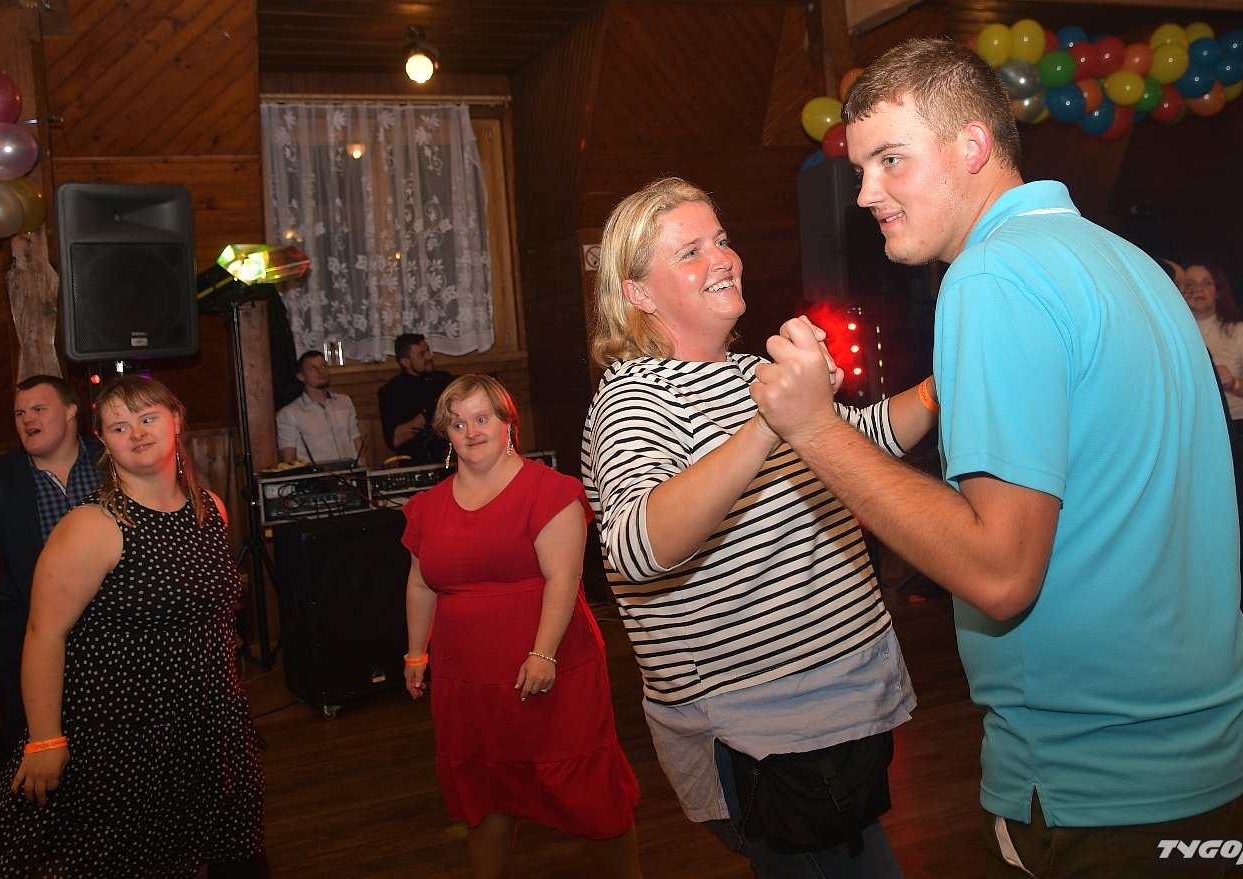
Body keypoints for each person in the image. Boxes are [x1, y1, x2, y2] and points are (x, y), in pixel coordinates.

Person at [750, 37, 1243, 877]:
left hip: (1100, 792)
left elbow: (1000, 572)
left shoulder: (990, 278)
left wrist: (815, 429)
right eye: (859, 169)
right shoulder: (1129, 263)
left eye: (890, 159)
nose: (866, 192)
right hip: (1228, 759)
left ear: (971, 145)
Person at [581, 176, 937, 878]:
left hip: (836, 696)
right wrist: (771, 422)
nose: (722, 258)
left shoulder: (752, 373)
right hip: (763, 727)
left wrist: (938, 386)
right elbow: (636, 546)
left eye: (720, 240)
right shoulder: (635, 398)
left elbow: (858, 439)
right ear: (639, 293)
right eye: (690, 251)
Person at [0, 376, 267, 878]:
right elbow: (44, 634)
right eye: (119, 427)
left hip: (210, 724)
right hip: (124, 734)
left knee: (230, 856)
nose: (136, 433)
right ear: (103, 441)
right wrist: (45, 741)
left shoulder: (210, 508)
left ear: (175, 420)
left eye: (147, 418)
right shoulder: (92, 525)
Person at [401, 374, 641, 879]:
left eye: (482, 419)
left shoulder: (550, 491)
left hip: (549, 670)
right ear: (446, 434)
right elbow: (421, 584)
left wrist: (543, 653)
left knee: (584, 787)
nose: (471, 432)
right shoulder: (428, 505)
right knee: (484, 787)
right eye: (458, 423)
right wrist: (416, 654)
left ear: (508, 423)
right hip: (467, 680)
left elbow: (564, 578)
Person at [0, 375, 102, 775]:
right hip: (29, 633)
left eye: (38, 409)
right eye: (19, 413)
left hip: (112, 630)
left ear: (71, 410)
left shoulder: (110, 459)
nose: (27, 419)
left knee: (108, 739)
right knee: (23, 743)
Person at [1183, 260, 1243, 608]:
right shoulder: (1175, 332)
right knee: (1204, 537)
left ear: (1218, 290)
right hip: (1199, 443)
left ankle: (1242, 615)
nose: (1197, 289)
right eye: (1189, 284)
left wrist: (1234, 382)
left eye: (1206, 283)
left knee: (1242, 533)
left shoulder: (1239, 331)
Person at [276, 349, 362, 465]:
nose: (321, 371)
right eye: (313, 368)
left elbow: (357, 443)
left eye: (323, 366)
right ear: (301, 376)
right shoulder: (289, 414)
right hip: (316, 475)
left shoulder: (345, 402)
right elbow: (289, 460)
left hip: (350, 472)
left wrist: (364, 471)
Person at [379, 332, 452, 465]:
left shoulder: (443, 380)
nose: (429, 356)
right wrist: (426, 414)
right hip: (414, 463)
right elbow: (394, 440)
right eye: (421, 354)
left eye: (428, 351)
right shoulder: (391, 391)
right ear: (405, 362)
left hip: (448, 459)